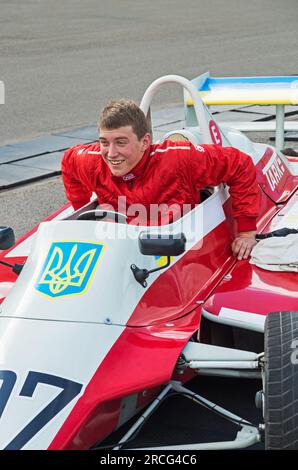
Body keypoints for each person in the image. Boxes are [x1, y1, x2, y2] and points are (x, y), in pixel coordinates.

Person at [62, 99, 261, 260]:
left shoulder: (180, 159)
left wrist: (246, 231)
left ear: (145, 142)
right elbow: (68, 162)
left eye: (121, 142)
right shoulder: (90, 160)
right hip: (124, 249)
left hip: (182, 249)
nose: (111, 153)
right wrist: (82, 210)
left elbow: (240, 164)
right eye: (104, 142)